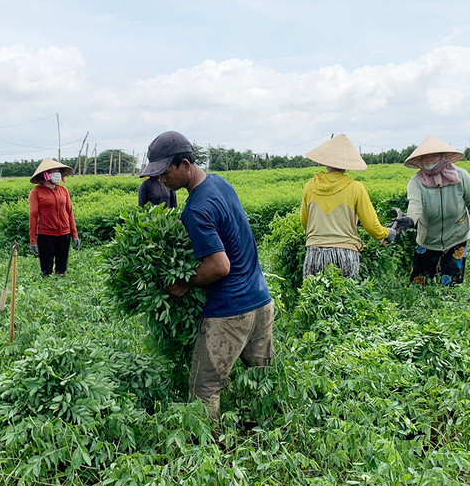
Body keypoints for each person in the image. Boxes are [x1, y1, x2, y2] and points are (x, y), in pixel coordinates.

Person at [140, 131, 273, 421]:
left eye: (165, 173)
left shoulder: (195, 209)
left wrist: (184, 282)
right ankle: (271, 433)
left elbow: (220, 266)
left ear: (185, 164)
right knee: (263, 379)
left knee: (204, 389)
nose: (160, 180)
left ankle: (208, 448)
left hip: (229, 311)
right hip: (261, 300)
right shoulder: (220, 183)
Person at [300, 134, 391, 279]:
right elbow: (371, 227)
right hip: (345, 255)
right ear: (347, 165)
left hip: (314, 254)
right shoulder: (356, 188)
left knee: (314, 293)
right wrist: (386, 233)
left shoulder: (310, 187)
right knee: (343, 293)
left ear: (326, 162)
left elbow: (305, 222)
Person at [400, 135, 470, 286]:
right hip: (428, 239)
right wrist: (409, 219)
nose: (428, 160)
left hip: (456, 236)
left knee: (451, 285)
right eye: (424, 157)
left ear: (443, 156)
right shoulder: (416, 182)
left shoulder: (461, 176)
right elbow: (415, 206)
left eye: (433, 155)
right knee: (418, 284)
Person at [28, 158, 80, 276]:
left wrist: (74, 234)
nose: (57, 174)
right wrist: (33, 240)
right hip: (46, 235)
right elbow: (33, 216)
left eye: (58, 171)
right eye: (53, 171)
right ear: (45, 174)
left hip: (64, 234)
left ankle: (60, 285)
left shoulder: (63, 190)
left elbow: (70, 213)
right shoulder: (36, 192)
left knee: (62, 270)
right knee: (46, 271)